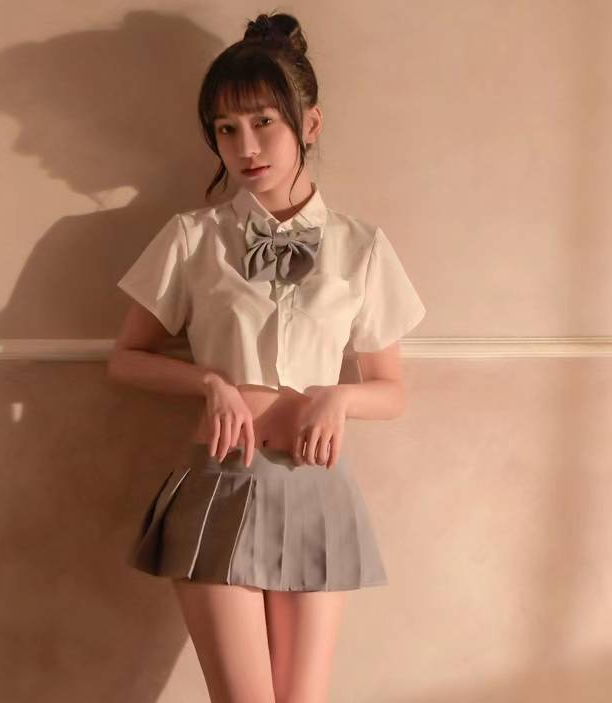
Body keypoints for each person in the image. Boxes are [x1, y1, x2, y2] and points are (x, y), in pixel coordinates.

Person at [108, 11, 426, 703]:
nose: (245, 147)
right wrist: (209, 382)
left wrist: (339, 396)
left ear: (309, 124)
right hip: (220, 483)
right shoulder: (192, 237)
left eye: (263, 123)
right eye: (226, 129)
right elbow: (126, 358)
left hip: (317, 491)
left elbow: (392, 389)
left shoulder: (361, 247)